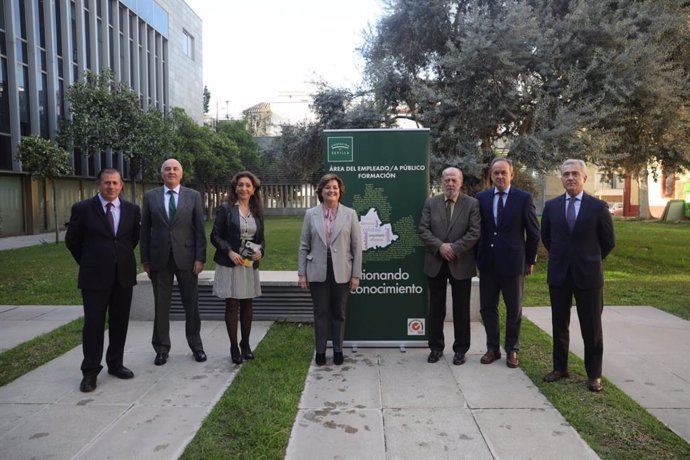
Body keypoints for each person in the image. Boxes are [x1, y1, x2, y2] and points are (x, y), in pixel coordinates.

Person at [541, 159, 615, 392]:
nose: (570, 178)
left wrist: (589, 259)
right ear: (561, 178)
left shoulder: (598, 207)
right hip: (560, 274)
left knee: (591, 327)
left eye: (575, 174)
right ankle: (560, 367)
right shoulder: (551, 207)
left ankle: (594, 374)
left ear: (584, 178)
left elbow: (608, 242)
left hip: (589, 276)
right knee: (559, 323)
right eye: (566, 174)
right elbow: (547, 238)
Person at [65, 168, 140, 393]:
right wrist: (89, 261)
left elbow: (132, 239)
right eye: (107, 183)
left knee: (120, 322)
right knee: (94, 325)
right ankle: (90, 372)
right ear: (99, 184)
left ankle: (115, 364)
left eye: (115, 183)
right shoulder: (83, 209)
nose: (111, 187)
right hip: (94, 277)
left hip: (123, 276)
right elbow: (73, 241)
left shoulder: (132, 210)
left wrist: (118, 259)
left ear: (121, 185)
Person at [140, 158, 207, 366]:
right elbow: (145, 230)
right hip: (159, 259)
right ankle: (161, 349)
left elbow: (199, 229)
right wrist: (145, 259)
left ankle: (196, 346)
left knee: (191, 305)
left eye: (175, 169)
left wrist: (200, 257)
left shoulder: (193, 196)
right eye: (167, 169)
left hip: (187, 258)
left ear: (181, 173)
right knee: (161, 306)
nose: (171, 172)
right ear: (162, 174)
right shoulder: (150, 197)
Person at [476, 158, 540, 368]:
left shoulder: (523, 198)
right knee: (487, 308)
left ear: (512, 175)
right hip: (488, 264)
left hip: (513, 264)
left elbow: (533, 233)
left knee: (514, 309)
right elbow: (479, 232)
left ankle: (512, 349)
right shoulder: (482, 198)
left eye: (504, 173)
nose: (500, 177)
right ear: (491, 176)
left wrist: (530, 259)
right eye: (496, 173)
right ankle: (492, 348)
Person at [298, 174, 362, 366]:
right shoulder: (311, 214)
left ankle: (337, 350)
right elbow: (303, 245)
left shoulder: (350, 214)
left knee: (339, 313)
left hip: (342, 271)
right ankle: (319, 351)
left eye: (334, 187)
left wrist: (356, 275)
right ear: (321, 191)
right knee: (320, 313)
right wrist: (302, 273)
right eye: (327, 187)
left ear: (340, 191)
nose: (331, 191)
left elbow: (357, 247)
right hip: (317, 270)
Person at [418, 167, 481, 365]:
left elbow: (474, 232)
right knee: (436, 308)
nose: (450, 183)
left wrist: (454, 248)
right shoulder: (431, 202)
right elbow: (423, 229)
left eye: (454, 180)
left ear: (460, 182)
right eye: (447, 180)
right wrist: (440, 247)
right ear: (442, 181)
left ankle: (460, 350)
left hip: (460, 262)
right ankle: (436, 348)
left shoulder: (472, 204)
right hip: (435, 262)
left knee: (461, 309)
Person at [211, 171, 265, 364]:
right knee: (232, 305)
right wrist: (229, 252)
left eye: (248, 186)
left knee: (248, 304)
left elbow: (261, 239)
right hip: (230, 262)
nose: (244, 188)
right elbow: (215, 236)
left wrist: (261, 252)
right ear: (235, 187)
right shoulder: (225, 209)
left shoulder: (257, 210)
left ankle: (246, 344)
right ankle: (234, 346)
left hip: (249, 264)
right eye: (240, 185)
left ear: (253, 189)